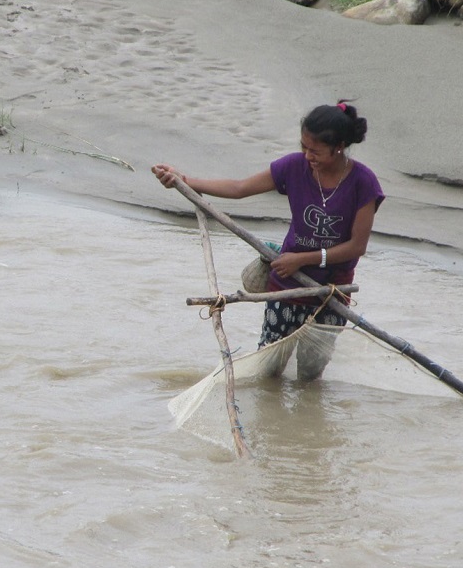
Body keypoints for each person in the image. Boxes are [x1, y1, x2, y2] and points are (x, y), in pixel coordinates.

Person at [152, 101, 384, 379]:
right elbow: (239, 188)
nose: (307, 156)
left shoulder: (363, 183)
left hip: (331, 292)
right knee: (268, 372)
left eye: (316, 151)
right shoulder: (293, 167)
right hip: (287, 286)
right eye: (303, 147)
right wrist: (186, 181)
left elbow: (356, 246)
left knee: (311, 375)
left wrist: (303, 259)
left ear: (339, 147)